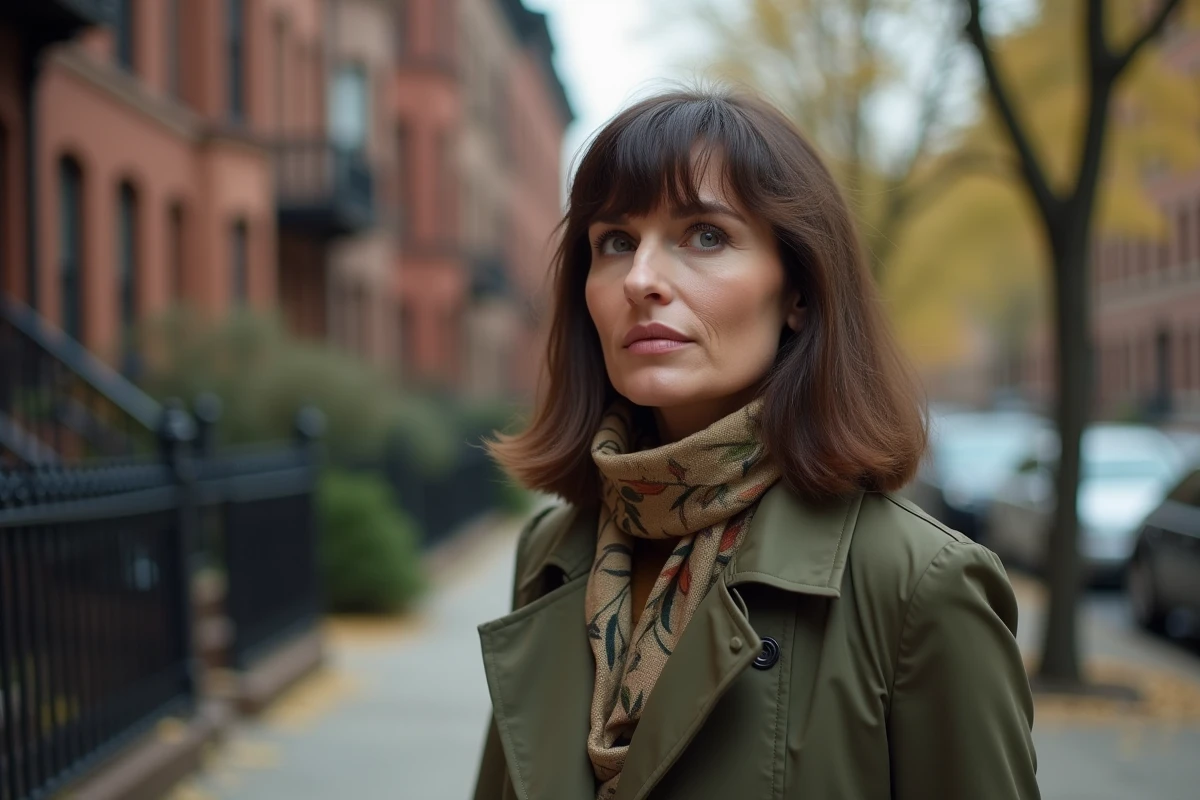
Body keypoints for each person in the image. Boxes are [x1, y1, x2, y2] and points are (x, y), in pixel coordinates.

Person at [473, 87, 1039, 800]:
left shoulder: (918, 585)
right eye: (615, 241)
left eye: (705, 235)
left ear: (799, 290)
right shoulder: (554, 552)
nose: (642, 279)